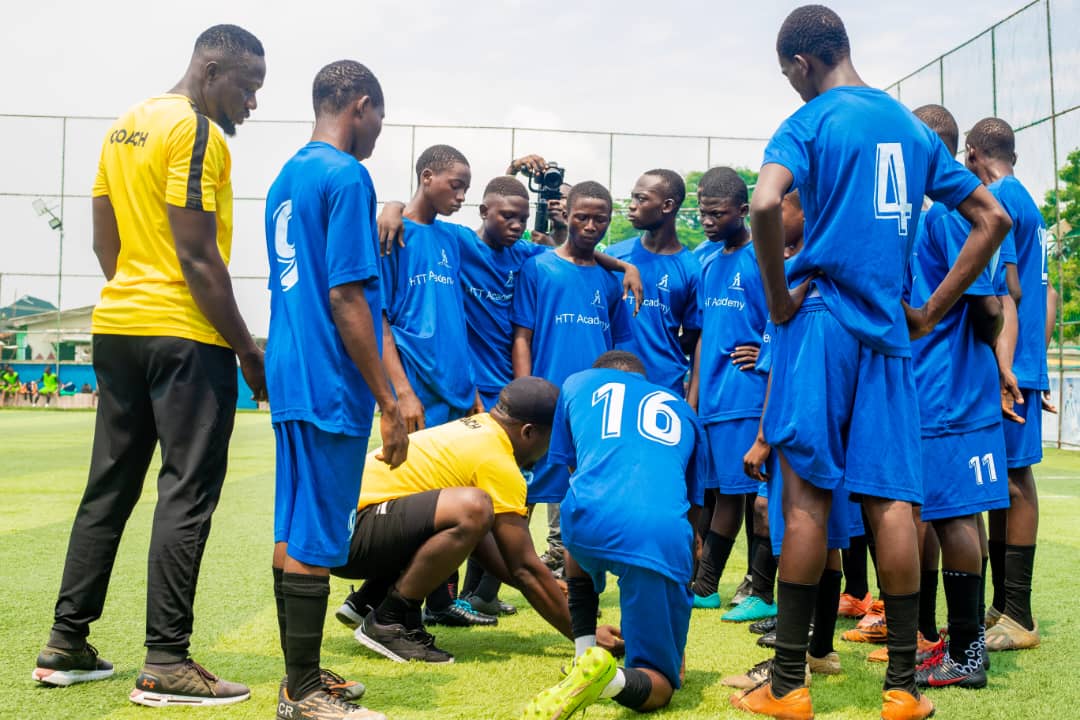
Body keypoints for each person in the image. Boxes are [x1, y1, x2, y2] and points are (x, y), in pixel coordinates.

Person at [729, 7, 1010, 720]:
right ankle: (903, 691)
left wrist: (778, 300)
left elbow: (764, 203)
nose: (792, 86)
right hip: (888, 333)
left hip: (820, 323)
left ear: (801, 63)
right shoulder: (912, 128)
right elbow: (993, 219)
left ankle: (788, 686)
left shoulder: (811, 120)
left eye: (788, 75)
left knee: (805, 503)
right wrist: (930, 312)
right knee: (893, 505)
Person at [33, 25, 268, 707]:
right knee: (186, 492)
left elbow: (104, 242)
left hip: (119, 327)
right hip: (183, 336)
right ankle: (166, 660)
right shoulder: (195, 131)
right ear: (211, 69)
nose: (252, 103)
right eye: (248, 86)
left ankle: (65, 642)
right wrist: (247, 349)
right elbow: (197, 255)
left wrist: (136, 294)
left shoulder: (124, 125)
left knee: (108, 488)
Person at [265, 60, 406, 720]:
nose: (379, 130)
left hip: (290, 370)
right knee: (320, 532)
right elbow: (347, 296)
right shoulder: (347, 175)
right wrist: (388, 399)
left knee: (292, 528)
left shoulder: (286, 176)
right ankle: (304, 693)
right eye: (380, 117)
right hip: (328, 380)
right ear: (360, 105)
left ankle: (301, 674)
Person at [332, 378, 616, 663]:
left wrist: (551, 586)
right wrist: (585, 635)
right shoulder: (498, 460)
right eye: (551, 440)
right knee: (474, 508)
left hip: (343, 529)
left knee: (468, 514)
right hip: (352, 536)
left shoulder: (479, 427)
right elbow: (523, 567)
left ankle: (369, 600)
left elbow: (489, 549)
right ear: (528, 431)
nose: (549, 452)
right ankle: (390, 620)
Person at [518, 351, 706, 718]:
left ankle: (583, 654)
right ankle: (610, 680)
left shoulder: (576, 383)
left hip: (585, 522)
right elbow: (691, 503)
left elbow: (575, 468)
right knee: (660, 684)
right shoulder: (685, 410)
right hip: (658, 533)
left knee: (577, 533)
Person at [969, 118, 1050, 653]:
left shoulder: (999, 199)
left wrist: (1012, 367)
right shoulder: (1028, 202)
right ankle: (1004, 604)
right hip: (1022, 361)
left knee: (1014, 480)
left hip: (1009, 365)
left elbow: (1009, 292)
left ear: (973, 153)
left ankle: (1019, 613)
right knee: (1003, 481)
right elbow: (1045, 293)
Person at [510, 181, 634, 508]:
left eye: (600, 219)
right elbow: (522, 336)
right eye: (582, 217)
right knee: (522, 494)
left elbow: (618, 349)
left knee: (585, 498)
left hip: (593, 404)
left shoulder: (611, 280)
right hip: (546, 400)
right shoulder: (538, 267)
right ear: (566, 216)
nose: (591, 226)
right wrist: (526, 390)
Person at [686, 168, 764, 613]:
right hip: (712, 398)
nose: (708, 221)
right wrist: (693, 400)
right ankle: (708, 585)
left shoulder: (762, 257)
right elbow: (701, 334)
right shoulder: (707, 259)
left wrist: (765, 352)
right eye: (703, 213)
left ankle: (747, 587)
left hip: (746, 394)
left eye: (717, 214)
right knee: (719, 493)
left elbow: (782, 319)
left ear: (743, 210)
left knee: (744, 494)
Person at [607, 169, 701, 396]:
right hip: (613, 381)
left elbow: (693, 337)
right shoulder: (615, 257)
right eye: (632, 197)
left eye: (641, 199)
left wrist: (659, 350)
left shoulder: (692, 268)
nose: (632, 206)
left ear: (667, 206)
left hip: (664, 387)